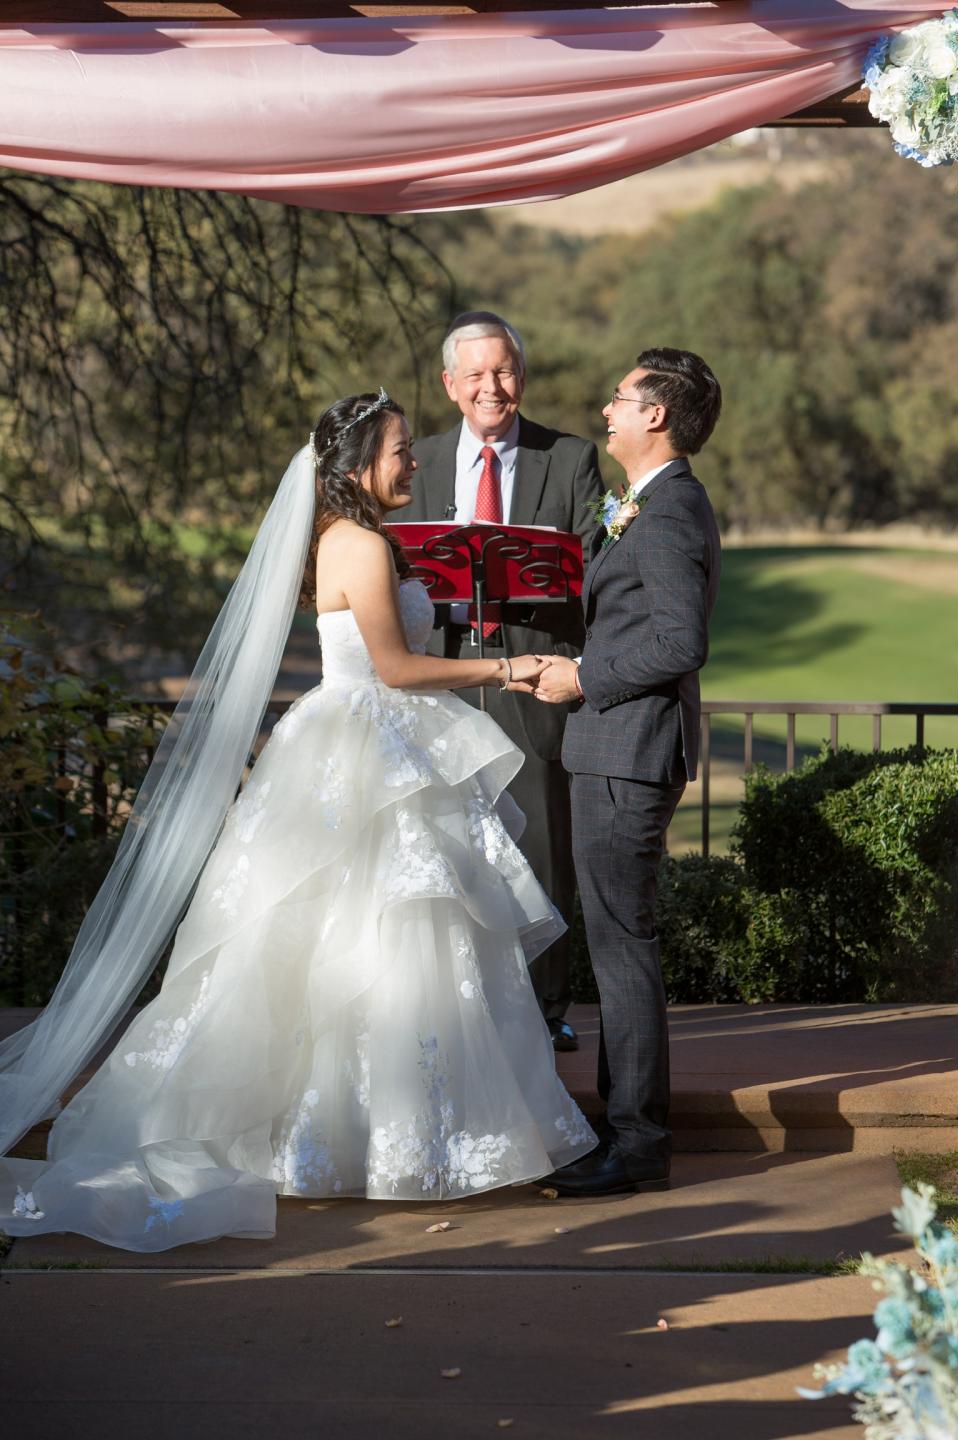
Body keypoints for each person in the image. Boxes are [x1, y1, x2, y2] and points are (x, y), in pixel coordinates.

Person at [0, 391, 596, 1251]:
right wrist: (510, 669)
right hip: (361, 749)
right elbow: (391, 667)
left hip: (375, 744)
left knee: (394, 940)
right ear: (358, 466)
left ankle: (377, 1142)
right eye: (400, 451)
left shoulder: (362, 539)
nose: (413, 462)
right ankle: (355, 1142)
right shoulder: (353, 542)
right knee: (361, 937)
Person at [531, 349, 722, 1197]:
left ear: (656, 416)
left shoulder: (672, 509)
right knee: (615, 944)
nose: (605, 408)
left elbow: (682, 642)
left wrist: (583, 677)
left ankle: (639, 1142)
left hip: (629, 750)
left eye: (619, 397)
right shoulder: (641, 507)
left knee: (621, 949)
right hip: (613, 748)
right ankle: (623, 1128)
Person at [406, 311, 604, 1052]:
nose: (494, 387)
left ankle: (547, 1007)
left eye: (506, 371)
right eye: (478, 374)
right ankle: (455, 1002)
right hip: (443, 680)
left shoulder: (571, 457)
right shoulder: (419, 460)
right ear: (451, 384)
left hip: (534, 680)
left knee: (543, 848)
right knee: (445, 846)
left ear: (522, 375)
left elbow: (595, 574)